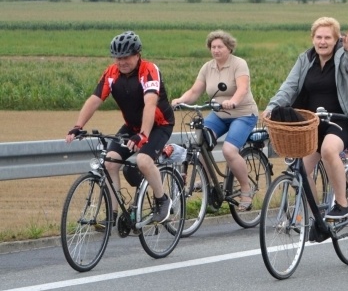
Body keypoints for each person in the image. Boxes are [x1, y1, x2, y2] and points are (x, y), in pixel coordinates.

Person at [261, 16, 348, 219]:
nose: (322, 42)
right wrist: (273, 106)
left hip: (340, 120)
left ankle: (342, 205)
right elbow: (289, 87)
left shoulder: (343, 57)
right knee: (301, 169)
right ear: (312, 39)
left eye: (328, 37)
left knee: (328, 150)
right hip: (312, 122)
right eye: (319, 37)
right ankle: (315, 217)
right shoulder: (305, 60)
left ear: (337, 40)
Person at [65, 31, 175, 223]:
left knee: (143, 160)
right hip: (132, 126)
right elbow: (95, 99)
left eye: (126, 57)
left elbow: (150, 104)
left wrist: (143, 135)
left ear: (137, 54)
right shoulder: (111, 73)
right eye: (118, 58)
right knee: (109, 162)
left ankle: (162, 201)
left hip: (158, 125)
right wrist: (78, 125)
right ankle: (113, 216)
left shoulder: (148, 70)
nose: (122, 62)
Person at [171, 30, 260, 209]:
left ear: (229, 48)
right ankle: (209, 182)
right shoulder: (208, 67)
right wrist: (180, 100)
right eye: (213, 47)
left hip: (242, 113)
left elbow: (242, 89)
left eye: (220, 47)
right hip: (219, 114)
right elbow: (195, 91)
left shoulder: (239, 64)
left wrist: (233, 102)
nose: (216, 50)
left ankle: (245, 189)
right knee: (200, 142)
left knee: (229, 150)